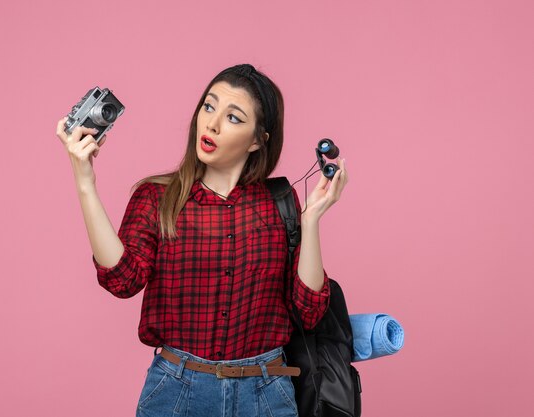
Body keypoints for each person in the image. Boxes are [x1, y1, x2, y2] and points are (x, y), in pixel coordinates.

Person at [55, 63, 349, 417]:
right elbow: (122, 280)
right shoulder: (157, 197)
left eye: (233, 117)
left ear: (258, 140)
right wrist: (85, 181)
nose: (211, 123)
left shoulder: (280, 203)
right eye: (209, 106)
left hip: (266, 392)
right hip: (176, 390)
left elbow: (309, 308)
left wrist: (311, 219)